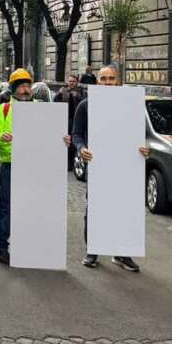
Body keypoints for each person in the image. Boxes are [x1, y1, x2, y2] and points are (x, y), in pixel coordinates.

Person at [70, 63, 150, 272]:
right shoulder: (85, 105)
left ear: (118, 81)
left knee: (123, 208)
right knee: (95, 208)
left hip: (125, 167)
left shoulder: (131, 105)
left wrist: (144, 149)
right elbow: (76, 134)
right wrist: (82, 148)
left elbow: (140, 135)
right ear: (97, 82)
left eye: (111, 79)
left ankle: (122, 253)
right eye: (103, 79)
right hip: (98, 165)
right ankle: (93, 250)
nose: (107, 83)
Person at [0, 68, 32, 265]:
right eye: (20, 86)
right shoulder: (3, 110)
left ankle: (29, 245)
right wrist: (1, 137)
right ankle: (1, 246)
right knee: (6, 207)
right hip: (10, 166)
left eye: (27, 85)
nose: (25, 89)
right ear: (13, 89)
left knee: (30, 206)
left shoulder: (40, 108)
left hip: (34, 166)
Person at [56, 75, 84, 172]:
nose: (71, 83)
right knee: (66, 142)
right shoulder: (63, 91)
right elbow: (55, 101)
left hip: (77, 120)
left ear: (77, 82)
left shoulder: (81, 92)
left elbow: (85, 104)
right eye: (70, 81)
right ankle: (67, 164)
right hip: (66, 120)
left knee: (75, 143)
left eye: (73, 81)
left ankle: (75, 163)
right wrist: (59, 94)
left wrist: (78, 96)